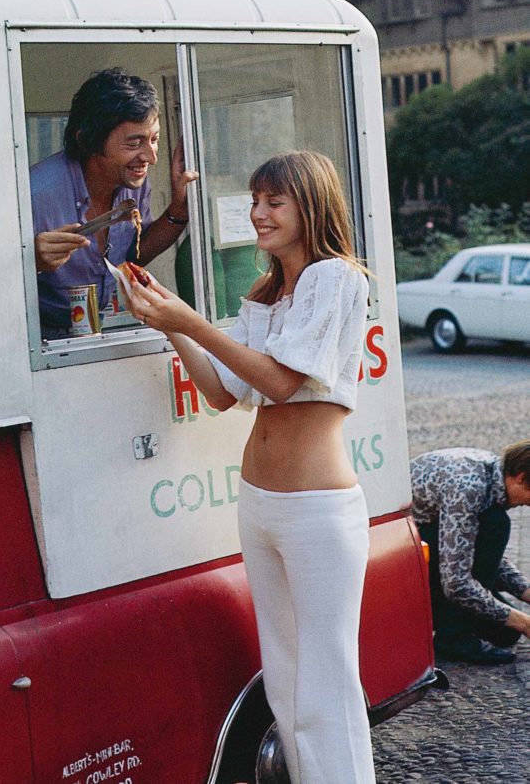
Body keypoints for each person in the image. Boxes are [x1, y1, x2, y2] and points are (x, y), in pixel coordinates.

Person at [125, 150, 374, 784]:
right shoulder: (268, 295)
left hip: (317, 509)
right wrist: (168, 320)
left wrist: (190, 320)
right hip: (260, 502)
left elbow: (283, 384)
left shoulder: (337, 278)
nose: (258, 214)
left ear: (310, 207)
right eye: (255, 201)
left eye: (273, 202)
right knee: (287, 682)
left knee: (326, 685)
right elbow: (222, 391)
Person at [30, 67, 197, 337]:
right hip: (36, 339)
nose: (151, 157)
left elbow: (133, 255)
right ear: (87, 141)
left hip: (97, 329)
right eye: (134, 144)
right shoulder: (35, 195)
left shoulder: (134, 183)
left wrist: (178, 211)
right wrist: (30, 262)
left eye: (154, 140)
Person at [410, 443, 530, 665]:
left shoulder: (493, 473)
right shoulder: (468, 488)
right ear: (521, 478)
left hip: (432, 550)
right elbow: (455, 582)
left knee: (506, 634)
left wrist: (525, 592)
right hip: (409, 561)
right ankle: (454, 637)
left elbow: (471, 548)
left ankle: (458, 626)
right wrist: (524, 622)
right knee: (496, 524)